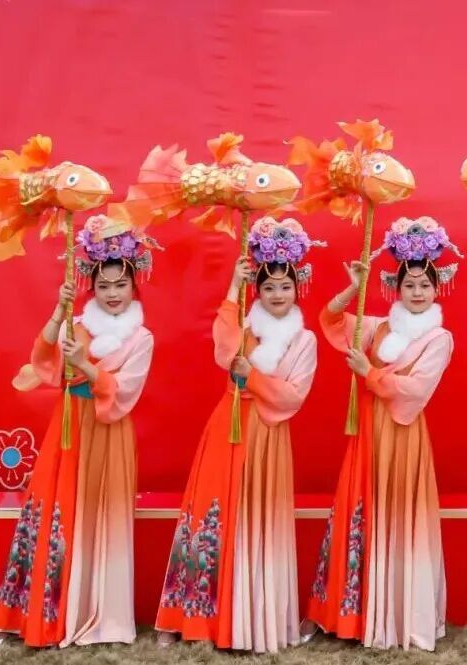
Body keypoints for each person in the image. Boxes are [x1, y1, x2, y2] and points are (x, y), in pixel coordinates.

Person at [0, 214, 159, 648]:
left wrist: (84, 365)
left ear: (134, 285)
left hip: (110, 429)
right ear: (91, 287)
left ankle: (101, 614)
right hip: (69, 427)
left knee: (103, 516)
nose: (113, 293)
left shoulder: (142, 338)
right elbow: (44, 360)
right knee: (53, 510)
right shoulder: (75, 325)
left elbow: (125, 389)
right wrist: (57, 311)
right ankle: (39, 614)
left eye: (121, 285)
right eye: (104, 286)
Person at [155, 217, 324, 653]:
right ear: (257, 290)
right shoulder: (245, 331)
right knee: (211, 514)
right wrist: (234, 284)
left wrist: (253, 379)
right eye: (268, 287)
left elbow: (293, 396)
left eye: (285, 287)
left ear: (297, 288)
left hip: (268, 432)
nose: (278, 294)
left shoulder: (304, 340)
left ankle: (251, 618)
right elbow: (222, 350)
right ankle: (187, 617)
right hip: (227, 427)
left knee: (256, 520)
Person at [303, 216, 462, 651]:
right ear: (397, 288)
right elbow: (332, 322)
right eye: (409, 285)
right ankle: (350, 616)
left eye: (424, 285)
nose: (417, 292)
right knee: (358, 515)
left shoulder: (440, 338)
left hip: (401, 437)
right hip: (369, 435)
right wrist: (353, 288)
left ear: (437, 289)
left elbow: (415, 391)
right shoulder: (377, 326)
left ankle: (395, 617)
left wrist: (368, 373)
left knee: (395, 519)